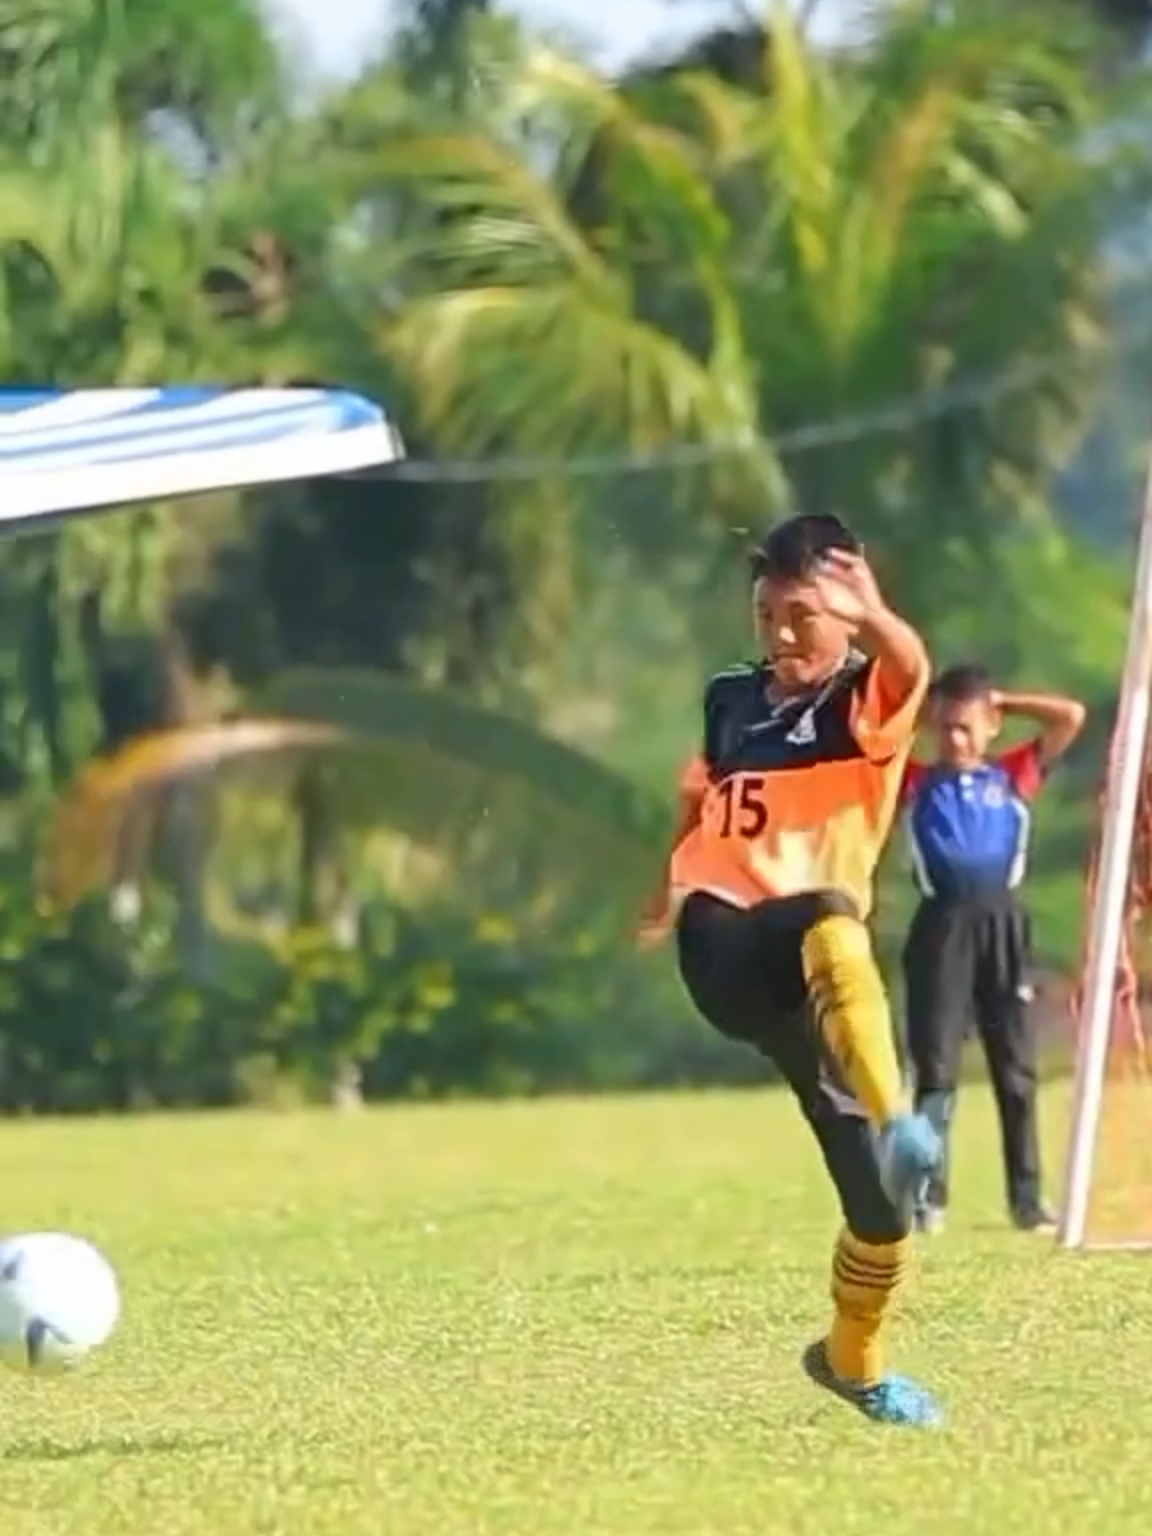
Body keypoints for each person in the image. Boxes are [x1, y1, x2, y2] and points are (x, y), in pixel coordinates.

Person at [640, 513, 944, 1430]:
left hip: (813, 980)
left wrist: (881, 621)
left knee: (881, 1216)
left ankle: (852, 1358)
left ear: (849, 615)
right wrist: (665, 889)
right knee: (824, 912)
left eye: (801, 616)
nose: (778, 635)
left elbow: (911, 672)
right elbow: (707, 810)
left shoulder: (864, 706)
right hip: (724, 944)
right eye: (766, 612)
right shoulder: (730, 697)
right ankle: (903, 1119)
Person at [901, 663, 1086, 1235]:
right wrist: (918, 702)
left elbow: (1070, 717)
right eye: (946, 726)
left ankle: (1027, 1197)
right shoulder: (912, 781)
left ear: (989, 727)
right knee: (936, 1068)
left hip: (1003, 925)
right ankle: (928, 1197)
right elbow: (870, 738)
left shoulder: (1012, 776)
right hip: (941, 928)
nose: (955, 739)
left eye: (967, 726)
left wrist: (1004, 696)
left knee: (1015, 1068)